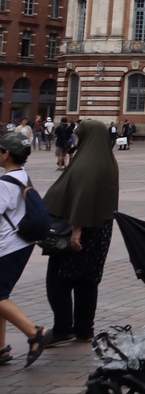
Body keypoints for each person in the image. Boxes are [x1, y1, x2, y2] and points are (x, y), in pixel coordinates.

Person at [42, 119, 120, 343]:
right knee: (87, 281)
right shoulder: (108, 161)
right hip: (101, 229)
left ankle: (62, 329)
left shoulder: (86, 163)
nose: (75, 138)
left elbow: (82, 199)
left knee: (58, 280)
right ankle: (84, 329)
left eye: (78, 134)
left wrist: (76, 231)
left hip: (81, 230)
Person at [0, 131, 53, 367]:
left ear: (6, 154)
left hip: (8, 246)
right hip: (21, 243)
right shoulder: (22, 175)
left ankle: (34, 333)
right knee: (2, 296)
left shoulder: (4, 183)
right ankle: (1, 348)